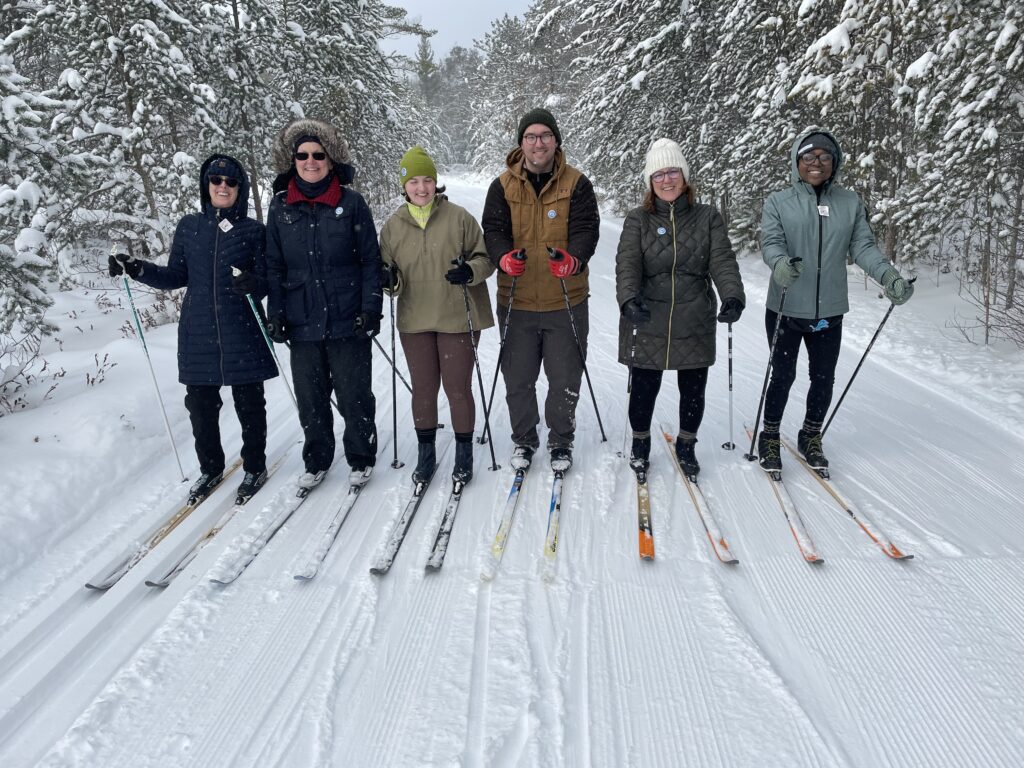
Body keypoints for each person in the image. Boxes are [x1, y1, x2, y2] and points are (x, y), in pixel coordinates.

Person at [108, 155, 276, 505]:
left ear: (240, 188)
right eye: (216, 180)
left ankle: (255, 466)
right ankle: (211, 468)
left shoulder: (253, 231)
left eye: (230, 182)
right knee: (201, 407)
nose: (222, 186)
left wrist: (252, 283)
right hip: (198, 333)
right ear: (206, 185)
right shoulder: (189, 227)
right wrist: (136, 268)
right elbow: (175, 277)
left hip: (241, 329)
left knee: (249, 404)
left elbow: (266, 282)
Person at [757, 128, 914, 472]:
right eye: (809, 157)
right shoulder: (778, 202)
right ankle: (769, 436)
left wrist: (889, 276)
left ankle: (810, 435)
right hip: (785, 306)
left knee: (823, 378)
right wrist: (780, 264)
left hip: (829, 310)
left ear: (834, 163)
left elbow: (863, 247)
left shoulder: (849, 202)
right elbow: (770, 242)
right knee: (782, 376)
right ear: (796, 161)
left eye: (824, 157)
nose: (816, 163)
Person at [264, 118, 383, 490]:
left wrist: (370, 309)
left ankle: (361, 456)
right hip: (302, 319)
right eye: (302, 155)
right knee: (311, 398)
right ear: (293, 161)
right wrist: (276, 313)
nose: (310, 161)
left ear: (331, 161)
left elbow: (370, 261)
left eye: (318, 154)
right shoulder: (281, 208)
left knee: (353, 393)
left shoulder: (351, 203)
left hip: (348, 317)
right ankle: (316, 459)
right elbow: (274, 264)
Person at [616, 139, 745, 477]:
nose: (667, 179)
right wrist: (628, 299)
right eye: (658, 174)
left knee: (693, 387)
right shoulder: (638, 220)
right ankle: (640, 442)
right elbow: (627, 264)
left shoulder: (707, 217)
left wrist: (732, 295)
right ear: (649, 181)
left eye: (673, 171)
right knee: (644, 386)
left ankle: (686, 444)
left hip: (694, 314)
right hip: (647, 315)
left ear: (685, 176)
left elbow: (722, 260)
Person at [481, 107, 600, 473]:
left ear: (555, 141)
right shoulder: (501, 185)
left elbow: (586, 230)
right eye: (531, 136)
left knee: (565, 377)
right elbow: (493, 231)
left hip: (565, 299)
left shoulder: (576, 183)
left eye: (545, 136)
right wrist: (502, 258)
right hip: (516, 300)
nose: (538, 143)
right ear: (521, 143)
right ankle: (524, 439)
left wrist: (574, 259)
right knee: (518, 378)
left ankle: (561, 440)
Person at [379, 146, 495, 485]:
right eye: (413, 181)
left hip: (456, 316)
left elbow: (486, 259)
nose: (421, 187)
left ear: (436, 182)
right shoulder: (392, 227)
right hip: (415, 320)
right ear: (404, 186)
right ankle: (426, 456)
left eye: (427, 180)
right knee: (423, 390)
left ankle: (463, 454)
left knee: (457, 388)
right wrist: (388, 280)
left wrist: (469, 271)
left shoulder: (459, 217)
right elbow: (389, 277)